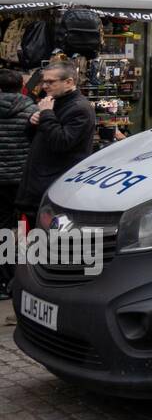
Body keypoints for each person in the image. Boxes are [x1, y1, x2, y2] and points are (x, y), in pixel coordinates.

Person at [16, 60, 96, 228]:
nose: (45, 85)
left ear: (69, 82)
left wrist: (46, 114)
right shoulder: (53, 102)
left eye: (51, 82)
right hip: (38, 183)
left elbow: (61, 142)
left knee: (46, 242)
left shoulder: (79, 108)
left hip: (54, 187)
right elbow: (37, 139)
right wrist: (33, 122)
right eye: (44, 81)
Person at [0, 70, 37, 300]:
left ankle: (4, 276)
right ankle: (21, 276)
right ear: (21, 86)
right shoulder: (32, 112)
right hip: (22, 179)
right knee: (24, 227)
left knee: (2, 226)